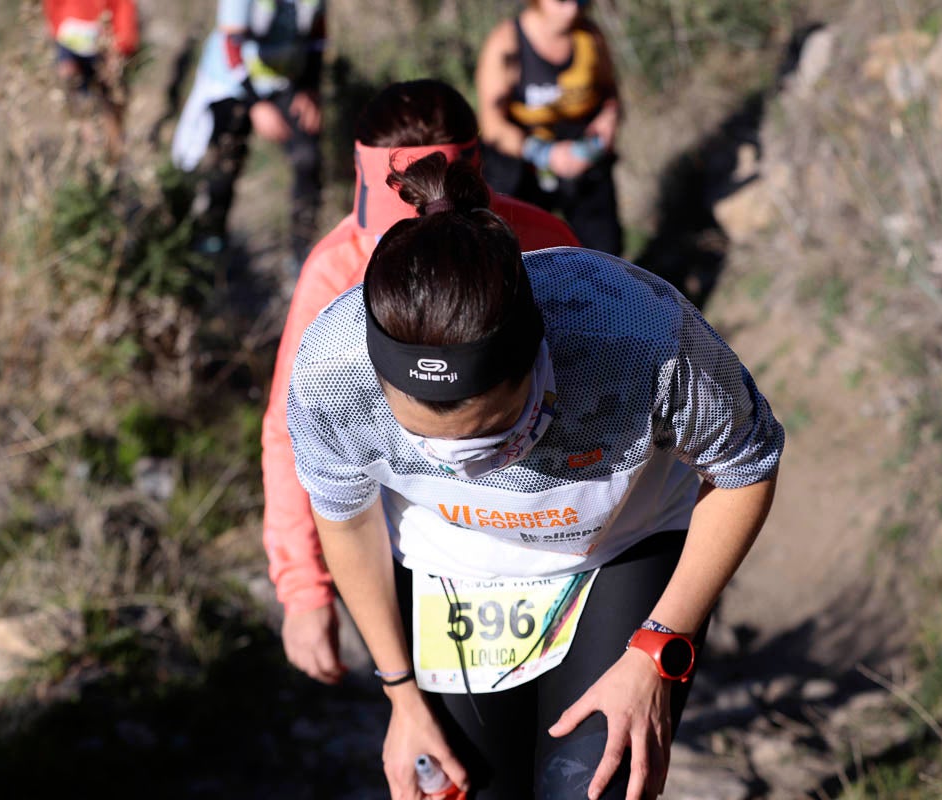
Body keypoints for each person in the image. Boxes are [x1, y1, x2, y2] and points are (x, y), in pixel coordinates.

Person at [285, 154, 783, 798]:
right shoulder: (332, 373)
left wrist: (659, 648)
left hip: (617, 550)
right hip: (451, 568)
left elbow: (746, 465)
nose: (466, 466)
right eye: (427, 439)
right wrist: (401, 696)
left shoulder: (633, 331)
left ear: (538, 352)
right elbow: (347, 523)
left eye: (493, 432)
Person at [262, 79, 581, 686]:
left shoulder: (545, 242)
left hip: (558, 522)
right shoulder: (337, 268)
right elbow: (291, 430)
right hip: (424, 544)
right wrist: (303, 588)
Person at [171, 0, 326, 268]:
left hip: (286, 80)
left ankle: (303, 253)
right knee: (224, 161)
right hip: (232, 81)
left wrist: (310, 88)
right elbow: (231, 43)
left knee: (307, 158)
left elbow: (317, 36)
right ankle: (209, 244)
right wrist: (256, 104)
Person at [476, 0, 623, 256]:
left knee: (604, 249)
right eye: (562, 0)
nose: (573, 7)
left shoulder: (589, 36)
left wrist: (608, 119)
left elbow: (609, 91)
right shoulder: (506, 43)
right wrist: (546, 154)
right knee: (517, 253)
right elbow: (491, 125)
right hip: (523, 164)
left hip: (583, 158)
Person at [43, 0, 138, 162]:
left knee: (110, 103)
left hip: (104, 42)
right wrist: (57, 29)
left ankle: (115, 157)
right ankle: (91, 156)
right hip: (69, 40)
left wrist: (121, 46)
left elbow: (123, 7)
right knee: (80, 104)